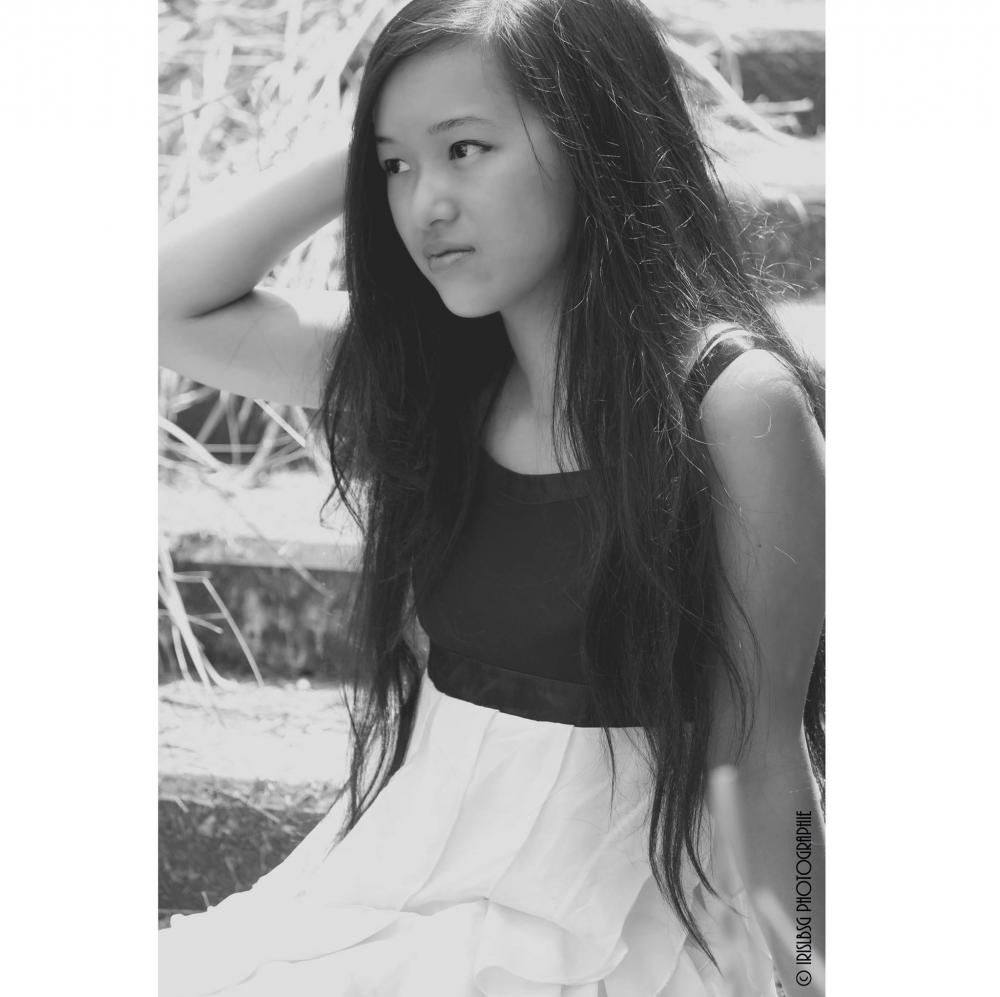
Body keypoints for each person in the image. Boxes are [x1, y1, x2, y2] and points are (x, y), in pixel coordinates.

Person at [158, 0, 826, 994]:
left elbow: (763, 758)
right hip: (397, 888)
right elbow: (163, 306)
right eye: (395, 168)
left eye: (466, 150)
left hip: (617, 925)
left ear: (596, 139)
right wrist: (378, 137)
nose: (423, 203)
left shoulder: (735, 407)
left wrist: (804, 974)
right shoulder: (437, 371)